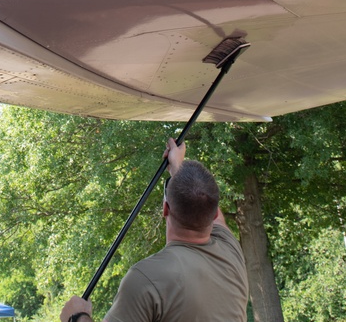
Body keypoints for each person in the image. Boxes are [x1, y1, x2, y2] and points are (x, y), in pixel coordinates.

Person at [60, 138, 249, 322]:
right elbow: (206, 203)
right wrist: (178, 169)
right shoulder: (229, 249)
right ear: (215, 215)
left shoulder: (147, 277)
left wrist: (76, 316)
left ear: (165, 209)